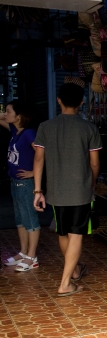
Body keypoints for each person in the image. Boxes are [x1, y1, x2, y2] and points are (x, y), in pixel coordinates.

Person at [33, 83, 102, 297]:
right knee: (77, 235)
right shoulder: (88, 128)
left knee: (63, 232)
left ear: (58, 100)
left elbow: (38, 159)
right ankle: (65, 283)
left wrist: (38, 191)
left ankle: (73, 273)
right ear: (82, 102)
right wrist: (91, 183)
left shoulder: (45, 127)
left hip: (55, 191)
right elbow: (94, 163)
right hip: (80, 191)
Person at [1, 100, 41, 271]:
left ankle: (32, 257)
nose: (5, 113)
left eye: (9, 111)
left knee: (30, 219)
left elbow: (41, 152)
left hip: (26, 184)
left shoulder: (29, 133)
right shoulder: (15, 130)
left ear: (19, 116)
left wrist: (33, 172)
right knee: (20, 219)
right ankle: (23, 252)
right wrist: (5, 114)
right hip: (15, 181)